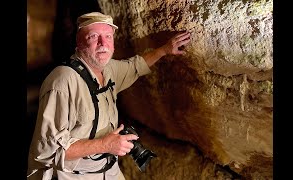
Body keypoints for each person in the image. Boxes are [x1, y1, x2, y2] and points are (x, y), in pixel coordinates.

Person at [27, 11, 191, 180]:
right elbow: (48, 150)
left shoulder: (108, 69)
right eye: (93, 36)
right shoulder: (62, 82)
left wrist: (164, 50)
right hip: (76, 176)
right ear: (78, 41)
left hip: (109, 171)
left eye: (108, 36)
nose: (102, 43)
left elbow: (135, 65)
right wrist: (105, 145)